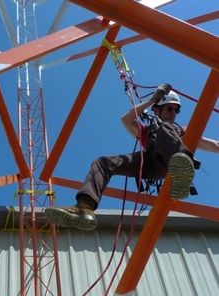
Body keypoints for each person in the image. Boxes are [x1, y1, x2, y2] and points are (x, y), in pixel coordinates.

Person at [45, 83, 219, 230]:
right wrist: (152, 100)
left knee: (166, 128)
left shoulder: (181, 129)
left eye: (176, 110)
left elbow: (213, 145)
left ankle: (182, 173)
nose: (173, 113)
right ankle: (84, 209)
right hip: (150, 164)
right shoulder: (145, 131)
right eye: (169, 108)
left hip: (173, 162)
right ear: (157, 111)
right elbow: (126, 119)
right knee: (103, 162)